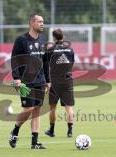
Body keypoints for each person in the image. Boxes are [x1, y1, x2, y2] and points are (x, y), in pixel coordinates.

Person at [9, 14, 48, 149]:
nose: (42, 24)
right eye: (39, 21)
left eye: (43, 22)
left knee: (37, 110)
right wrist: (16, 78)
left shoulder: (43, 41)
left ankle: (35, 142)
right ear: (32, 23)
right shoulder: (21, 40)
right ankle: (15, 130)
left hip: (40, 80)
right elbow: (14, 59)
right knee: (28, 109)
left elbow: (45, 62)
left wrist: (47, 80)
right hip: (26, 81)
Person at [44, 28, 75, 138]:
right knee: (69, 107)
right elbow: (71, 64)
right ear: (63, 37)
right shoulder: (70, 50)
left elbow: (46, 66)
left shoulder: (50, 50)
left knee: (52, 108)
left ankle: (51, 130)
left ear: (53, 38)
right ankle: (70, 131)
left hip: (55, 82)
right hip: (67, 80)